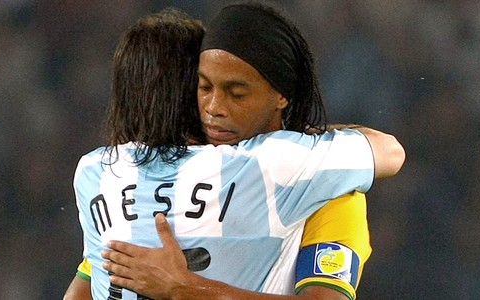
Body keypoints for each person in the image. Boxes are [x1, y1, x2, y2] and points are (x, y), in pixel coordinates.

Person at [65, 5, 404, 300]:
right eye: (204, 87)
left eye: (236, 93)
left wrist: (187, 289)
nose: (214, 108)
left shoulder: (326, 186)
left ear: (281, 94)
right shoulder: (150, 188)